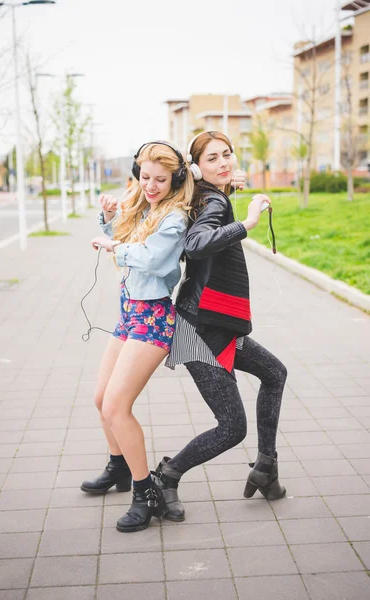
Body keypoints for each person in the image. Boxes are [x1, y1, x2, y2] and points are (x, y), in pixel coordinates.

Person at [152, 131, 287, 522]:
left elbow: (208, 191)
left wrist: (228, 185)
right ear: (197, 167)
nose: (224, 162)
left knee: (275, 373)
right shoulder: (211, 200)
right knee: (231, 428)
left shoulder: (206, 193)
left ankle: (266, 466)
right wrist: (247, 220)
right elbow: (197, 243)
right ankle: (165, 478)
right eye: (212, 158)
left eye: (227, 154)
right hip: (198, 331)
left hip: (216, 322)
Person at [80, 141, 194, 533]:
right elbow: (128, 241)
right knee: (100, 399)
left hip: (154, 317)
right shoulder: (147, 207)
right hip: (130, 311)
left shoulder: (175, 216)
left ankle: (146, 492)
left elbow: (152, 258)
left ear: (176, 179)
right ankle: (119, 467)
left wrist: (113, 244)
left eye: (160, 179)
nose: (150, 185)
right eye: (144, 177)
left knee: (115, 406)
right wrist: (108, 219)